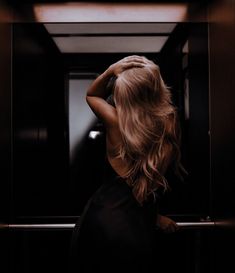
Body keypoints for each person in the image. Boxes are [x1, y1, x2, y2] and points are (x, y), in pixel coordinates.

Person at [69, 55, 186, 273]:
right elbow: (139, 195)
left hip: (101, 221)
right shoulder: (169, 124)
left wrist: (112, 70)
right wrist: (152, 78)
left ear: (123, 95)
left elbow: (92, 94)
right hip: (135, 229)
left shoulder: (115, 122)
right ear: (156, 91)